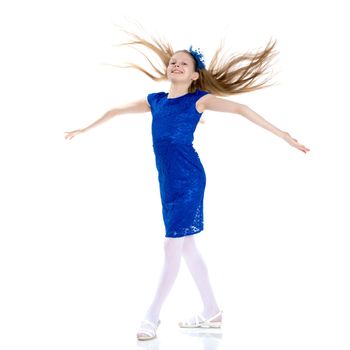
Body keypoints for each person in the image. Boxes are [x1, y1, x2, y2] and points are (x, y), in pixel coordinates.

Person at [64, 28, 310, 341]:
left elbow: (242, 110)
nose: (177, 65)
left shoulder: (199, 100)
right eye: (173, 63)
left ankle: (151, 316)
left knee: (171, 245)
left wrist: (284, 136)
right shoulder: (155, 101)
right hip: (166, 180)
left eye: (184, 64)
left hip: (190, 179)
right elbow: (115, 111)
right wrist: (84, 128)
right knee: (187, 246)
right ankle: (212, 310)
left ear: (194, 75)